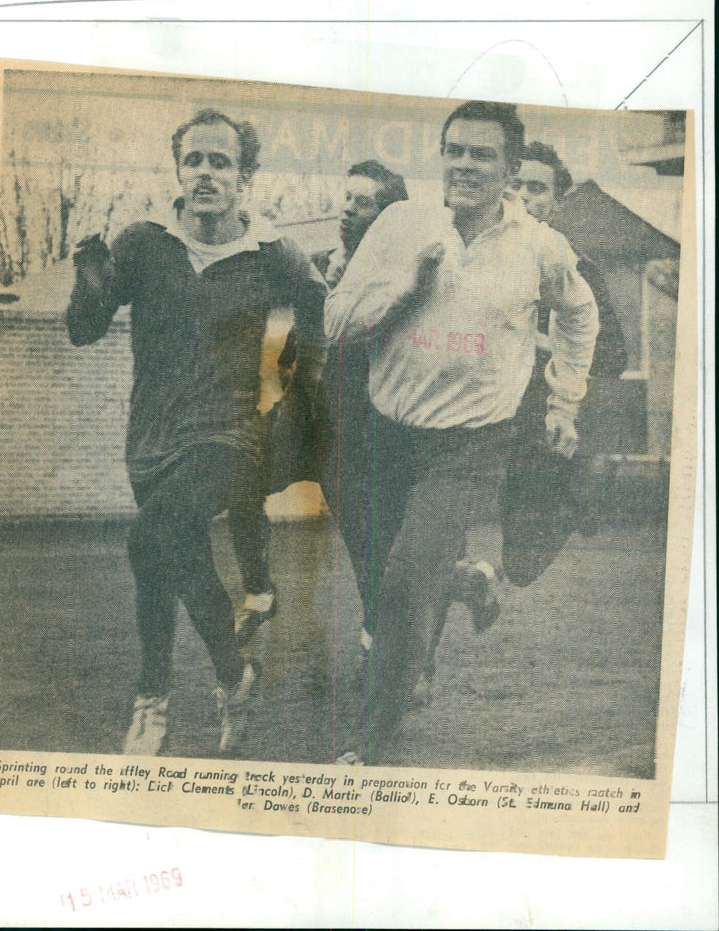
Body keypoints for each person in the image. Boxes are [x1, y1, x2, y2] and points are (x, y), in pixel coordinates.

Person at [325, 101, 599, 764]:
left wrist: (563, 404)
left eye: (483, 155)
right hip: (388, 434)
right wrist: (403, 290)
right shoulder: (398, 225)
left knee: (402, 579)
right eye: (456, 151)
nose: (466, 165)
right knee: (392, 578)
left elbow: (580, 315)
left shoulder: (538, 245)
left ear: (508, 170)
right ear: (441, 157)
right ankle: (462, 582)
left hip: (474, 445)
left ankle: (369, 743)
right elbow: (334, 323)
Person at [65, 109, 326, 756]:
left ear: (245, 177)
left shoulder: (273, 256)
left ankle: (151, 701)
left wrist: (292, 390)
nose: (206, 172)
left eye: (221, 161)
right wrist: (90, 283)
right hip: (152, 439)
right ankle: (234, 676)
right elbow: (84, 328)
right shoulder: (144, 242)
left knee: (152, 536)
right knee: (164, 556)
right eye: (195, 160)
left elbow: (316, 317)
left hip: (231, 436)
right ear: (179, 168)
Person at [247, 161, 409, 653]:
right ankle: (258, 589)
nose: (347, 209)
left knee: (368, 545)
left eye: (362, 203)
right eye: (346, 197)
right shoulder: (321, 263)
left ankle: (385, 644)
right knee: (239, 472)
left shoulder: (396, 277)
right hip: (308, 416)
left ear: (386, 217)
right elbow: (287, 322)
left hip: (364, 430)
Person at [501, 141, 628, 587]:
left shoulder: (577, 267)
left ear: (556, 203)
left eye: (537, 188)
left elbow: (614, 354)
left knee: (520, 565)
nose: (523, 196)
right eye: (515, 184)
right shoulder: (471, 257)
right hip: (477, 414)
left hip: (539, 420)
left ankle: (580, 497)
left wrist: (548, 354)